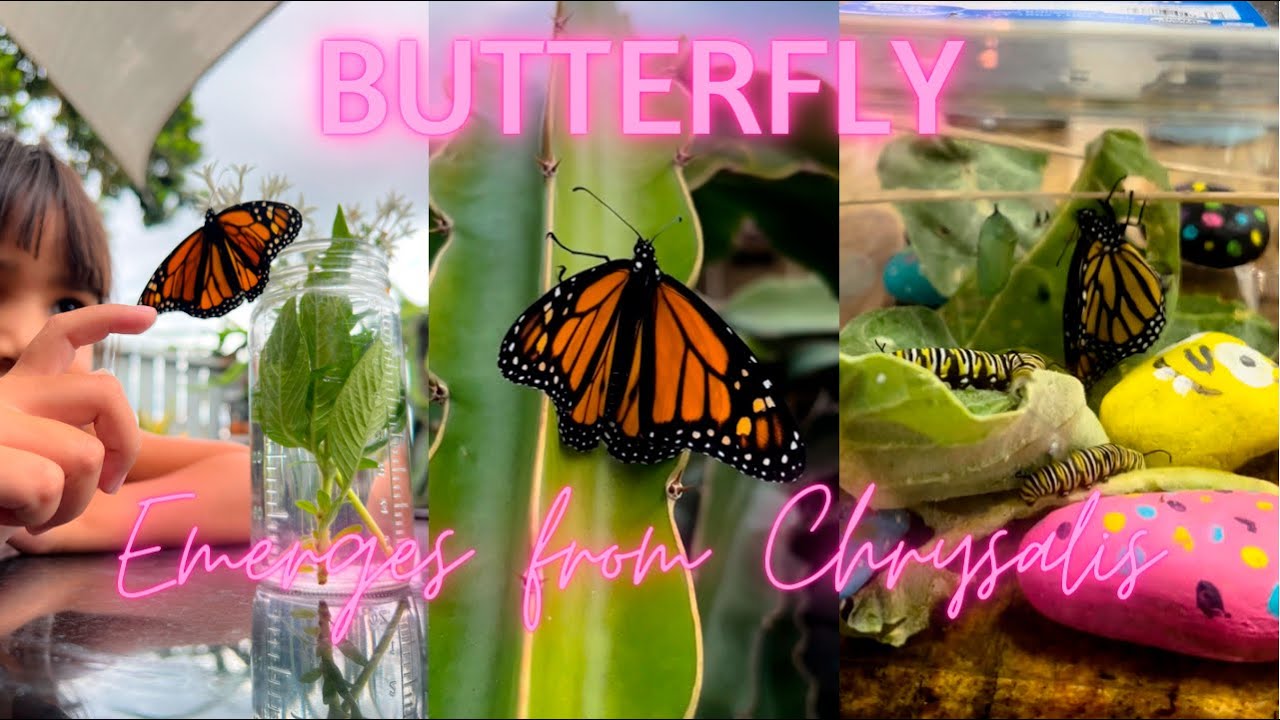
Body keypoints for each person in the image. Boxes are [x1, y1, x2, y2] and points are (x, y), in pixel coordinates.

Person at [0, 134, 250, 554]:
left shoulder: (86, 448)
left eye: (67, 304)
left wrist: (75, 521)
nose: (28, 336)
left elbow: (248, 482)